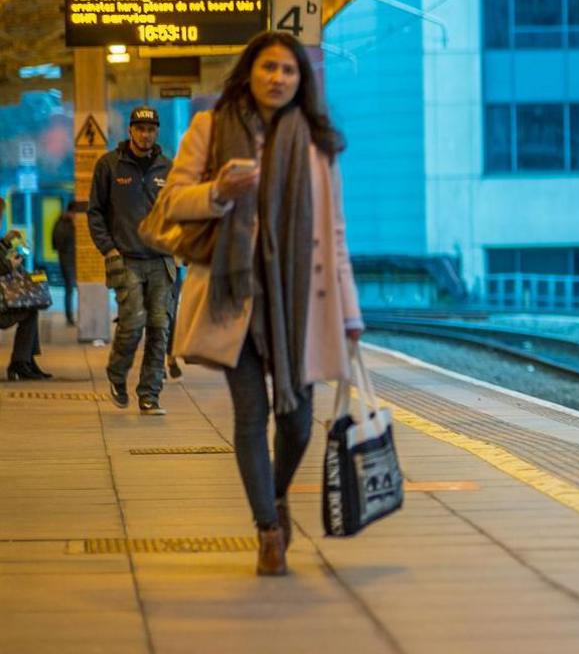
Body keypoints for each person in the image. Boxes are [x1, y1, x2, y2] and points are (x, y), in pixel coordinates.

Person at [155, 32, 363, 577]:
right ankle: (268, 530)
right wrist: (219, 191)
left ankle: (274, 496)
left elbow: (335, 233)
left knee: (297, 423)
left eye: (289, 71)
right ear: (249, 71)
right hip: (234, 297)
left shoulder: (318, 144)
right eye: (269, 67)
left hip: (299, 303)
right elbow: (172, 200)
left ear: (302, 81)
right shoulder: (209, 128)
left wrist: (350, 312)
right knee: (251, 416)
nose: (278, 78)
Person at [88, 106, 175, 415]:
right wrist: (108, 249)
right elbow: (95, 212)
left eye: (151, 129)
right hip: (126, 259)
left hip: (162, 261)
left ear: (157, 132)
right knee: (133, 322)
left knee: (159, 326)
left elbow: (179, 212)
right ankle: (117, 373)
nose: (145, 133)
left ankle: (150, 394)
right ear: (130, 130)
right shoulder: (110, 166)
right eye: (140, 128)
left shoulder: (168, 168)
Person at [2, 214, 48, 381]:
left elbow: (19, 274)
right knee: (30, 314)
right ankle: (21, 362)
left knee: (31, 311)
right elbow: (5, 269)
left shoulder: (5, 250)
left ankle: (26, 361)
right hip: (2, 305)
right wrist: (10, 265)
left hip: (5, 301)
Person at [51, 203, 78, 326]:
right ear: (71, 212)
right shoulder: (65, 225)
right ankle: (69, 317)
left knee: (70, 289)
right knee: (69, 289)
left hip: (67, 260)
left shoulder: (60, 223)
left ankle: (70, 316)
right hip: (67, 261)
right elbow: (60, 243)